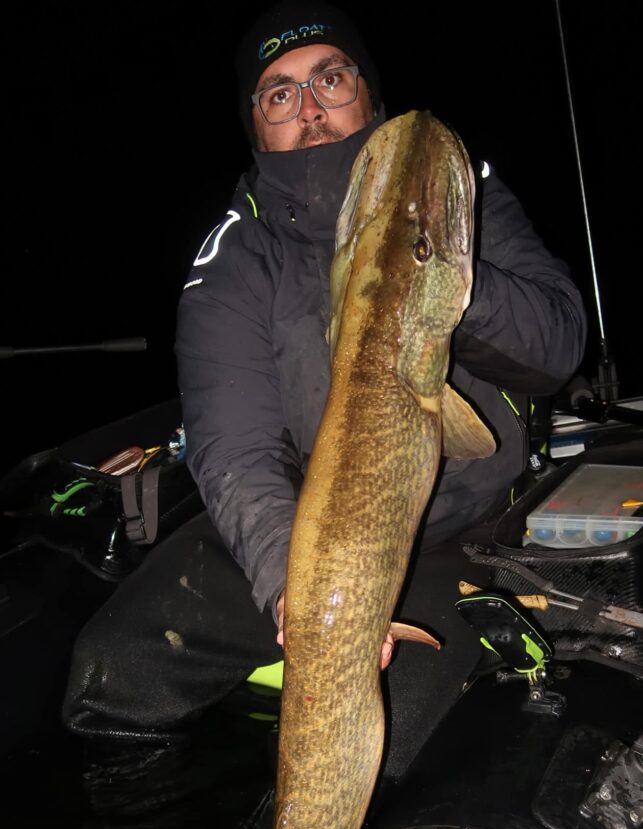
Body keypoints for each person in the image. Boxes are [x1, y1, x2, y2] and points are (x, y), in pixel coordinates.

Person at [63, 2, 586, 780]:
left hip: (457, 527)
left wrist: (441, 281)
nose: (309, 109)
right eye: (279, 94)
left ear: (365, 94)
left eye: (329, 78)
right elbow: (231, 446)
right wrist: (293, 597)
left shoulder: (459, 187)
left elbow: (556, 348)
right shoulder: (234, 255)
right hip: (301, 528)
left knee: (403, 746)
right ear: (255, 126)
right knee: (113, 670)